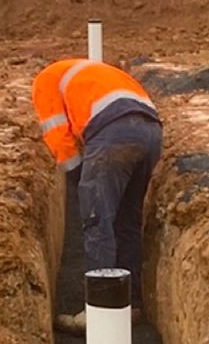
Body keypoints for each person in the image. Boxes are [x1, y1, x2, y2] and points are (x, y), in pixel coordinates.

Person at [30, 54, 163, 328]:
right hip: (151, 132)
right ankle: (131, 304)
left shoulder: (45, 81)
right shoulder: (94, 74)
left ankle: (99, 312)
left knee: (97, 219)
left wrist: (80, 179)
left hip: (113, 135)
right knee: (127, 221)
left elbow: (58, 136)